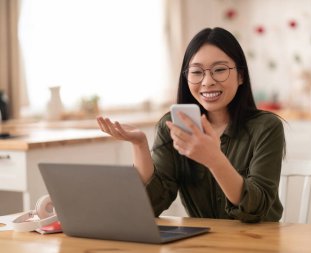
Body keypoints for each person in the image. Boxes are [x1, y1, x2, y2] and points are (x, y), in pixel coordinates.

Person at [97, 27, 285, 223]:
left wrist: (214, 159)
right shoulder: (173, 126)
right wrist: (140, 145)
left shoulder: (266, 127)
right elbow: (148, 207)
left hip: (258, 242)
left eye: (219, 70)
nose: (207, 81)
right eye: (196, 72)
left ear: (241, 76)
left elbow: (257, 208)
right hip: (203, 243)